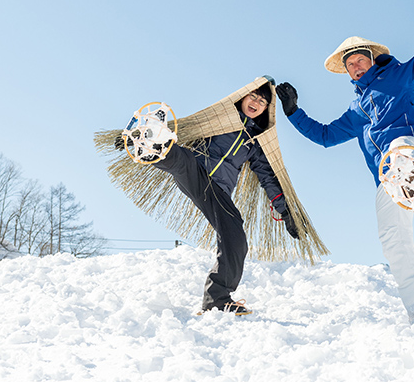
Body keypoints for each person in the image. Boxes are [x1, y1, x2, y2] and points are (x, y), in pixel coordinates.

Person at [276, 0, 414, 334]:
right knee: (394, 245)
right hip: (388, 181)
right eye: (350, 65)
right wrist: (293, 112)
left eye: (360, 60)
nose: (356, 67)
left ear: (372, 58)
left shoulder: (399, 75)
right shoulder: (357, 111)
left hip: (413, 152)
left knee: (398, 148)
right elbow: (325, 136)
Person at [119, 82, 299, 315]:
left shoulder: (255, 142)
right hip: (196, 168)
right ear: (243, 98)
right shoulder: (221, 117)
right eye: (253, 97)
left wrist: (284, 211)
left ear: (266, 110)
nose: (256, 103)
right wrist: (134, 138)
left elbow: (268, 178)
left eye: (262, 102)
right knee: (178, 158)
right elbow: (184, 129)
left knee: (236, 237)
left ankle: (217, 298)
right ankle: (147, 146)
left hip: (218, 191)